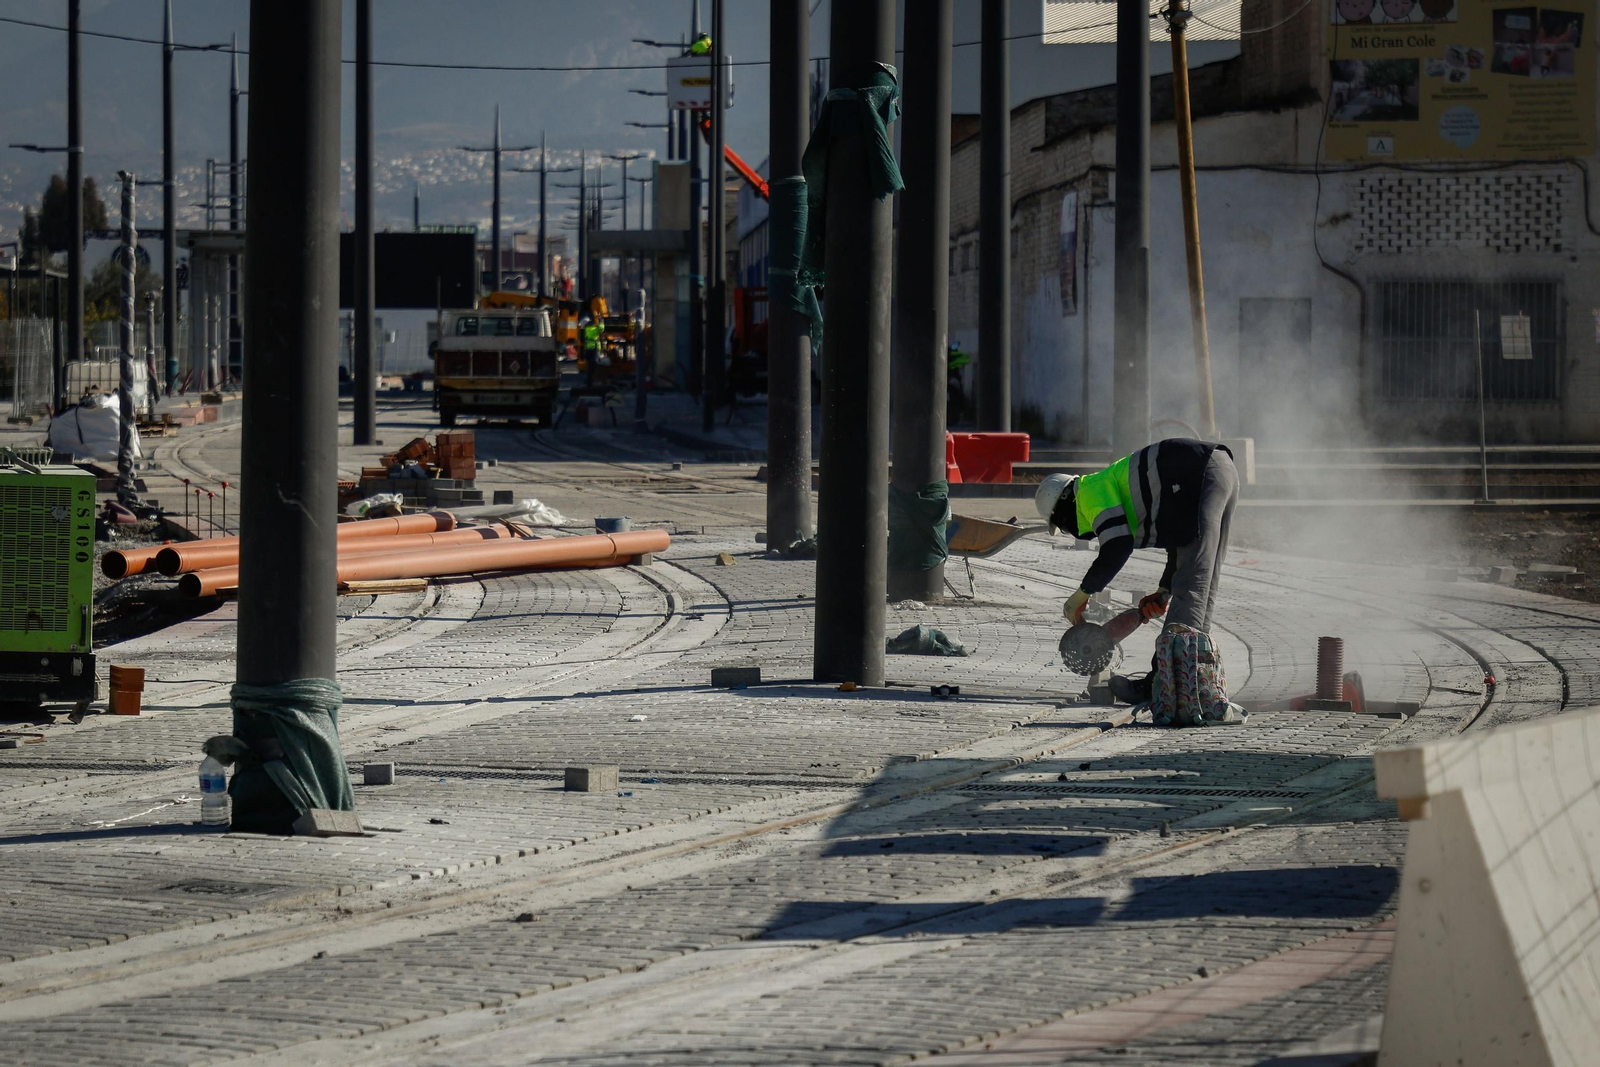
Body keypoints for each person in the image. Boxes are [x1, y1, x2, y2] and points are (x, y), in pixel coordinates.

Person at [1034, 438, 1239, 705]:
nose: (1071, 531)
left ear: (1063, 507)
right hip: (1217, 471)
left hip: (1201, 474)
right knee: (1203, 585)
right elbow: (1179, 541)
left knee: (1193, 586)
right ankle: (1188, 679)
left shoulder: (1088, 492)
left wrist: (1081, 595)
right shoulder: (1109, 488)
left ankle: (1162, 686)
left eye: (1062, 526)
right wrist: (1164, 592)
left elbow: (1117, 546)